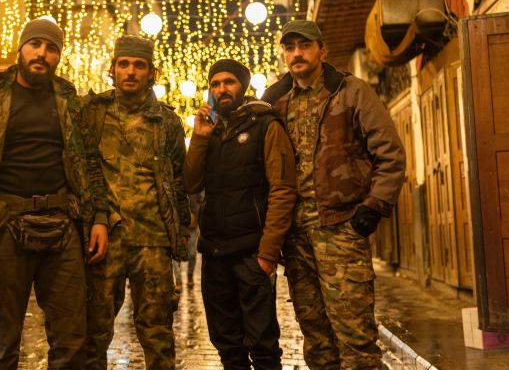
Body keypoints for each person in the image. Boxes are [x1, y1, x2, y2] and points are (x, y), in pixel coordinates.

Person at [0, 18, 109, 368]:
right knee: (0, 344)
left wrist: (98, 216)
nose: (42, 53)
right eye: (35, 44)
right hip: (5, 224)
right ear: (21, 48)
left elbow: (89, 162)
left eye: (51, 48)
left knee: (71, 343)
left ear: (59, 56)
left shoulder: (69, 99)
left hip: (63, 224)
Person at [262, 20, 405, 369]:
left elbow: (390, 154)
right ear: (284, 53)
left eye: (305, 45)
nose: (297, 53)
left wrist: (373, 206)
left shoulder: (350, 91)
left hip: (341, 230)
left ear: (322, 51)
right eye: (290, 47)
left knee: (355, 338)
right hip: (295, 239)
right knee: (317, 339)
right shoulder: (273, 101)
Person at [82, 35, 189, 370]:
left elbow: (177, 180)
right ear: (112, 69)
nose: (130, 71)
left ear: (151, 72)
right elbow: (82, 167)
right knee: (94, 331)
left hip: (153, 241)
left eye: (139, 65)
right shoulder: (93, 112)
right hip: (105, 239)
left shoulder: (167, 121)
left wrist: (181, 232)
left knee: (158, 333)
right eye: (124, 64)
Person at [185, 59, 297, 370]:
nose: (222, 89)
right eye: (215, 84)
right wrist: (200, 138)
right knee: (227, 346)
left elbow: (283, 188)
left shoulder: (265, 125)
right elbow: (191, 182)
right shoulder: (211, 130)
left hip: (252, 253)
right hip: (215, 254)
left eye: (229, 82)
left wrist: (268, 252)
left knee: (263, 346)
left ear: (242, 87)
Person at [173, 192, 202, 291]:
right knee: (175, 253)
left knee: (192, 253)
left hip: (193, 223)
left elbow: (201, 200)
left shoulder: (194, 183)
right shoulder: (174, 181)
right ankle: (178, 281)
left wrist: (196, 215)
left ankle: (190, 276)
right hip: (177, 223)